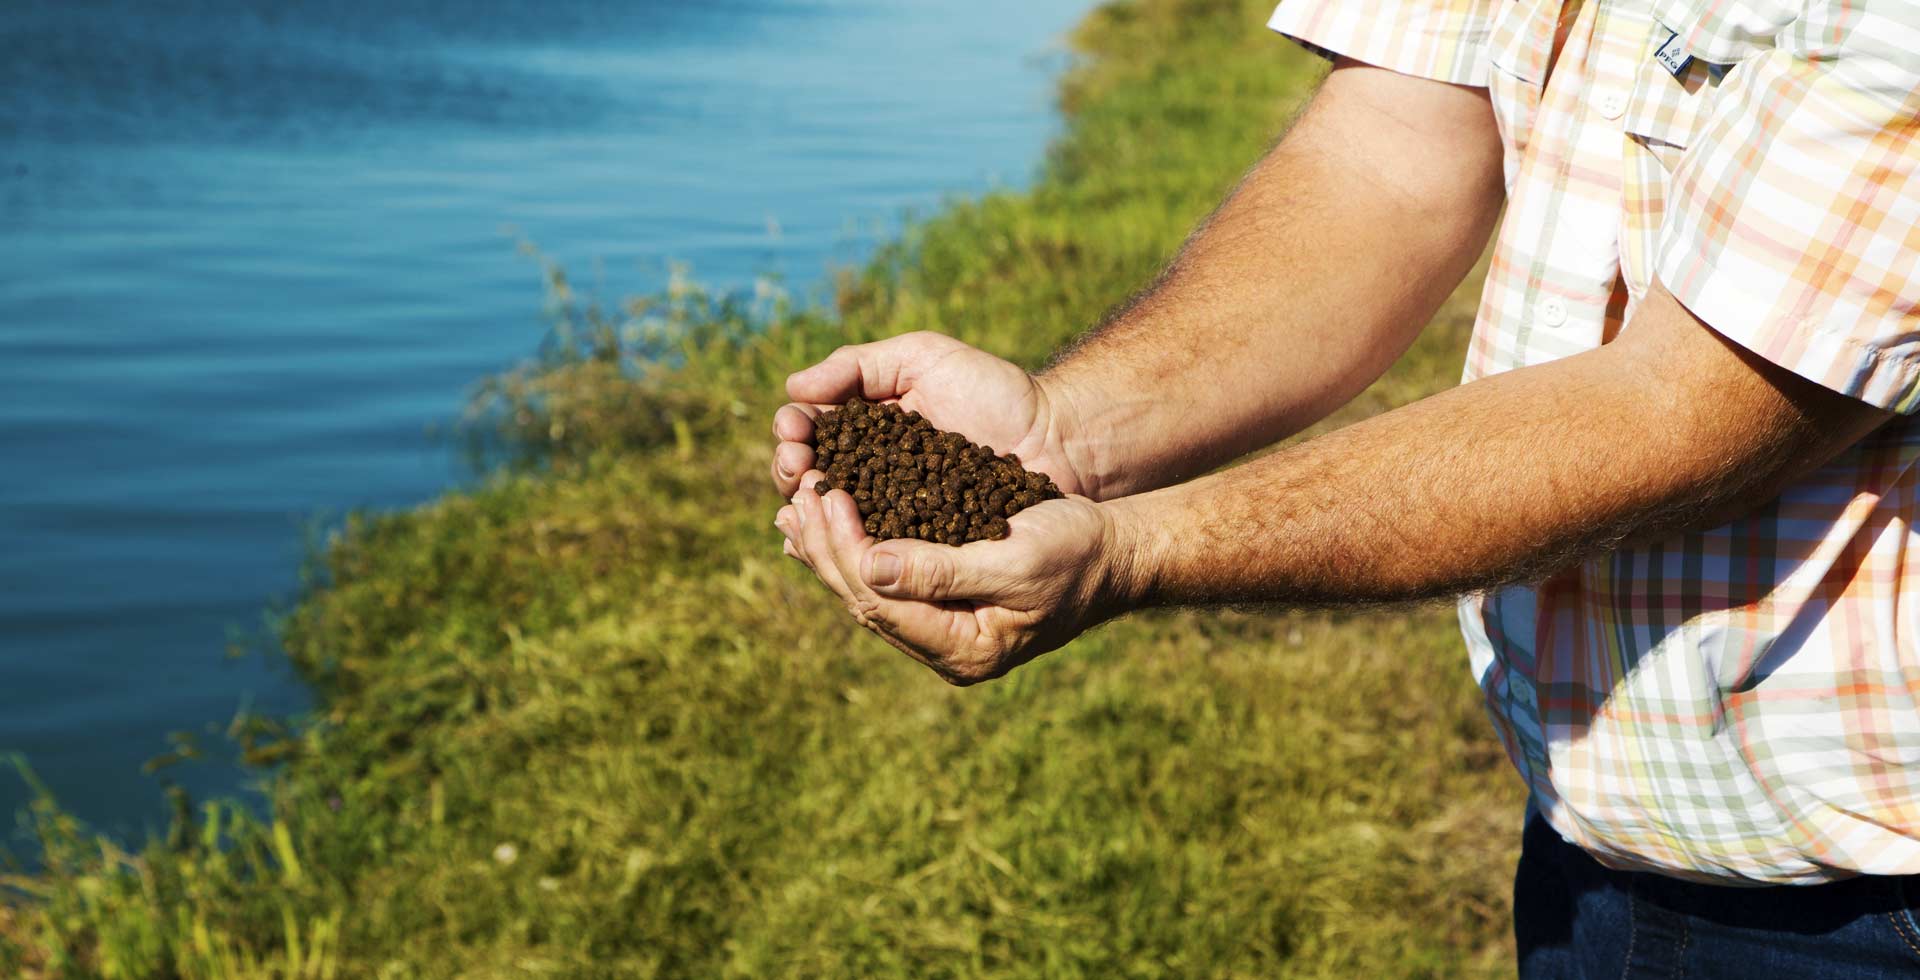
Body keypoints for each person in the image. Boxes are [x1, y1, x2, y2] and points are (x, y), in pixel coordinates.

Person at [771, 0, 1920, 973]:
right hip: (1596, 841)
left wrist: (1131, 551)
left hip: (1874, 903)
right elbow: (1395, 150)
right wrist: (1062, 431)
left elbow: (1697, 399)